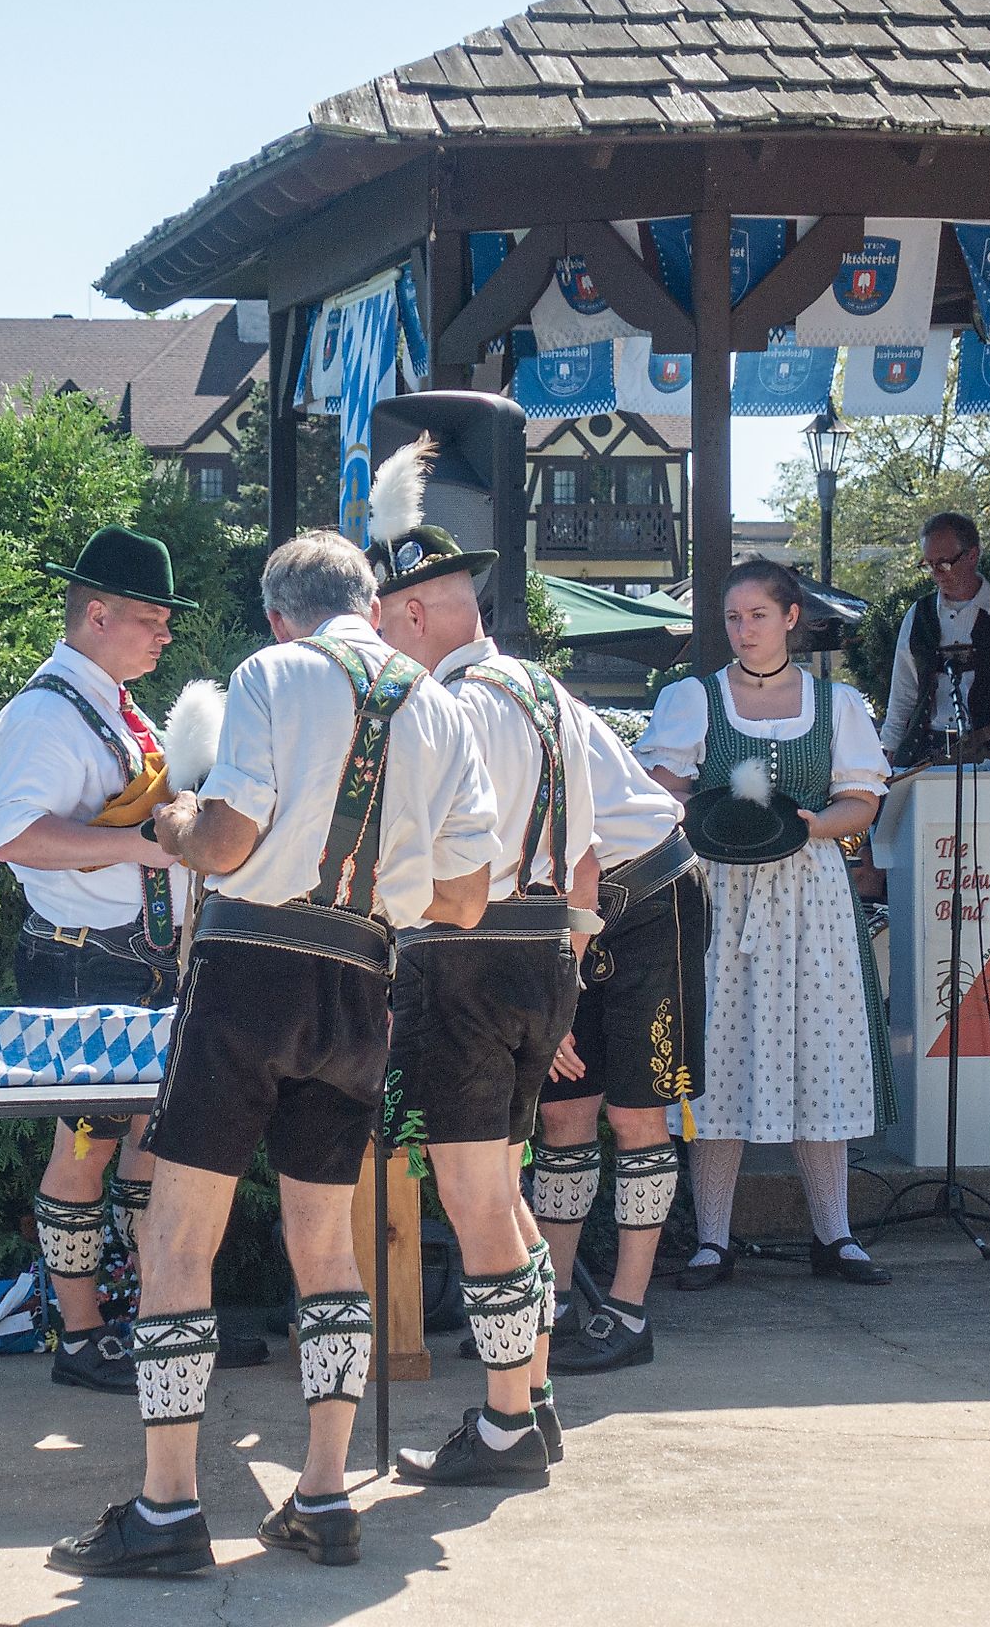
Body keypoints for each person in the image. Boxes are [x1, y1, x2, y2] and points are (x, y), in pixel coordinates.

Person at [49, 530, 496, 1578]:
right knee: (326, 1239)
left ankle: (166, 1507)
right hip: (363, 981)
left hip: (252, 971)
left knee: (177, 1240)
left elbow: (229, 841)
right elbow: (467, 900)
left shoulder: (273, 672)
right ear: (373, 602)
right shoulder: (439, 703)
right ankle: (326, 1494)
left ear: (278, 613)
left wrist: (176, 815)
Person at [369, 508, 592, 1487]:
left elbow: (423, 857)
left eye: (380, 618)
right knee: (502, 1189)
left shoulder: (438, 709)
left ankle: (505, 1426)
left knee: (474, 1198)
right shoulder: (546, 693)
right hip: (545, 956)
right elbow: (584, 861)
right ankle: (533, 1400)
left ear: (413, 612)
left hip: (463, 957)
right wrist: (571, 979)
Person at [636, 559, 895, 1290]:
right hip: (720, 890)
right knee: (718, 1051)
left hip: (809, 893)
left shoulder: (836, 703)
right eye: (731, 618)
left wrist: (812, 827)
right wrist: (704, 814)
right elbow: (664, 791)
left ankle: (835, 1235)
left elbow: (861, 802)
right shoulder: (694, 698)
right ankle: (712, 1240)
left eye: (756, 615)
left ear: (790, 618)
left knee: (819, 1051)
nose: (742, 630)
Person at [0, 527, 196, 1393]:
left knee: (148, 1144)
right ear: (96, 613)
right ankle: (79, 1335)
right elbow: (17, 837)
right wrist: (144, 846)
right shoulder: (42, 712)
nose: (166, 634)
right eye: (151, 618)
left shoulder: (110, 703)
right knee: (87, 1149)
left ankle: (148, 1324)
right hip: (83, 966)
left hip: (138, 961)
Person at [534, 691, 701, 1375]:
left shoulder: (487, 709)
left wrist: (556, 998)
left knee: (637, 1111)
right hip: (577, 911)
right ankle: (556, 1302)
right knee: (563, 1107)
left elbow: (581, 863)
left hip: (649, 899)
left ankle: (629, 1313)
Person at [880, 511, 990, 765]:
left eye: (943, 563)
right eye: (928, 565)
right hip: (927, 755)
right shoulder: (918, 615)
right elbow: (903, 692)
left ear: (972, 555)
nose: (936, 573)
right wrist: (890, 747)